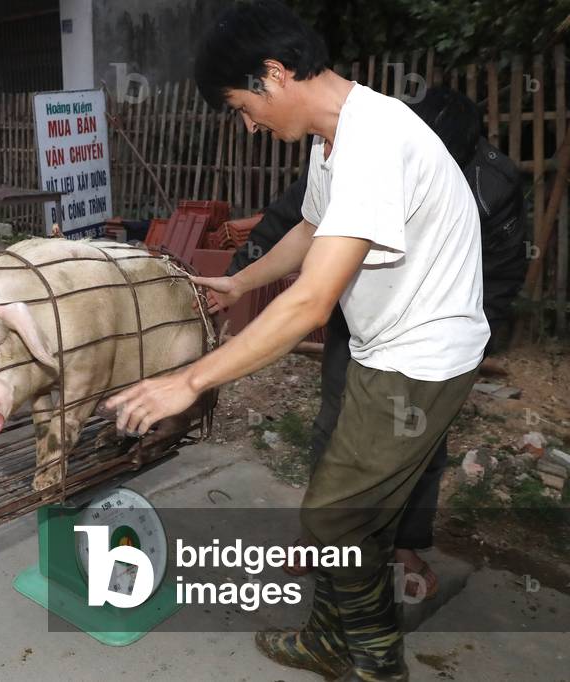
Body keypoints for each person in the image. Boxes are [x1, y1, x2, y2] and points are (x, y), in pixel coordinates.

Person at [107, 2, 489, 680]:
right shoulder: (335, 134)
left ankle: (375, 663)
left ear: (274, 75)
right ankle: (327, 639)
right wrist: (239, 280)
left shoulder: (371, 142)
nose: (248, 125)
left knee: (334, 523)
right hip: (387, 348)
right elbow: (311, 229)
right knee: (352, 518)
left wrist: (189, 380)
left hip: (417, 359)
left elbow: (312, 298)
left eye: (242, 107)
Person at [219, 85, 525, 598]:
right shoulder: (364, 146)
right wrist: (239, 277)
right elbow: (296, 220)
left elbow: (504, 270)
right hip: (361, 317)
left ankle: (395, 547)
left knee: (415, 448)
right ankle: (324, 540)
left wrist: (469, 345)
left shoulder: (491, 183)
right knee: (336, 425)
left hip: (430, 342)